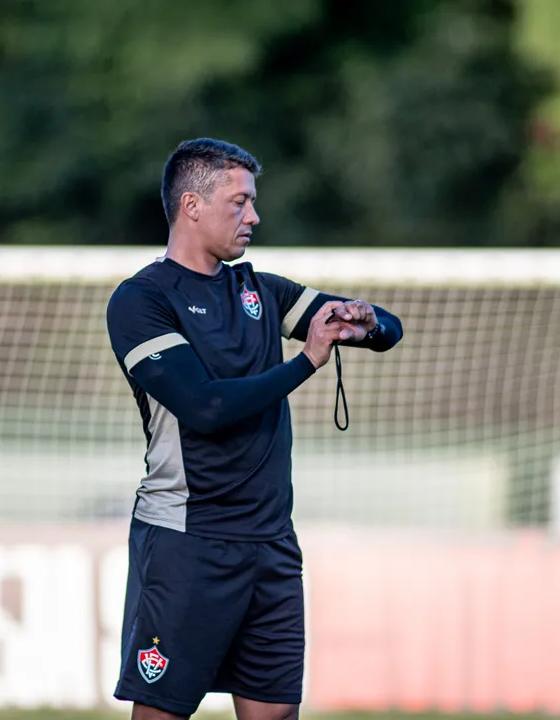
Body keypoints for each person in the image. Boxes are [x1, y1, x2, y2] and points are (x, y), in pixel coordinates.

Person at [105, 138, 403, 720]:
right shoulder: (141, 300)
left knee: (275, 715)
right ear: (192, 205)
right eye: (239, 203)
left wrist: (364, 318)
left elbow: (388, 330)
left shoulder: (261, 291)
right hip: (188, 541)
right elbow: (205, 408)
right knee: (162, 712)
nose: (254, 217)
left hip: (271, 544)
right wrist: (305, 362)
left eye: (253, 202)